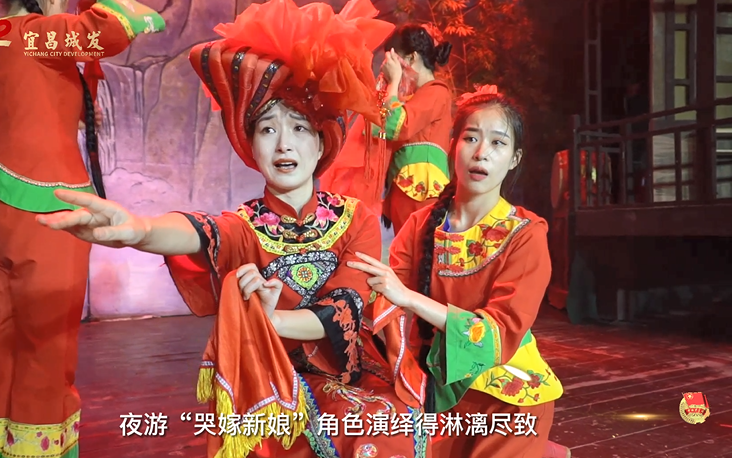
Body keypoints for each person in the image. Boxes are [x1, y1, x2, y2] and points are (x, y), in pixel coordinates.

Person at [36, 1, 428, 457]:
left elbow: (346, 305)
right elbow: (199, 231)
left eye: (300, 128)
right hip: (266, 379)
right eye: (268, 129)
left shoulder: (354, 218)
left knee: (387, 427)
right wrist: (139, 229)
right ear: (250, 144)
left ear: (322, 141)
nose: (284, 144)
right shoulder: (246, 225)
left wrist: (273, 320)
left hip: (347, 374)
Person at [0, 1, 165, 457]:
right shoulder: (34, 34)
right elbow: (110, 27)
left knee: (8, 342)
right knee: (47, 349)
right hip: (47, 212)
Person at [348, 87, 565, 458]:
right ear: (453, 146)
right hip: (434, 388)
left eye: (498, 143)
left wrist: (409, 298)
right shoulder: (421, 224)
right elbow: (383, 299)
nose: (481, 153)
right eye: (471, 138)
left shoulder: (526, 234)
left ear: (514, 159)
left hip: (507, 397)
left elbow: (498, 335)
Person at [378, 24, 454, 234]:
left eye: (395, 62)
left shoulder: (437, 92)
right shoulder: (414, 97)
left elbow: (396, 126)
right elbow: (378, 128)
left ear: (411, 58)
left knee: (418, 249)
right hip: (407, 189)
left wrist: (393, 83)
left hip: (420, 191)